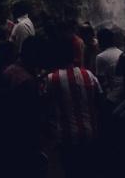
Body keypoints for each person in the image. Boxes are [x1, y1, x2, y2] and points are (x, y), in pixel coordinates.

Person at [45, 36, 102, 178]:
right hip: (90, 133)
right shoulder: (89, 75)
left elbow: (47, 106)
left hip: (66, 136)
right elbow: (100, 100)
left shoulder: (52, 78)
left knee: (71, 172)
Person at [95, 27, 124, 105]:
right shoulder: (120, 52)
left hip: (113, 95)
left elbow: (100, 82)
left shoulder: (100, 57)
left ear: (100, 41)